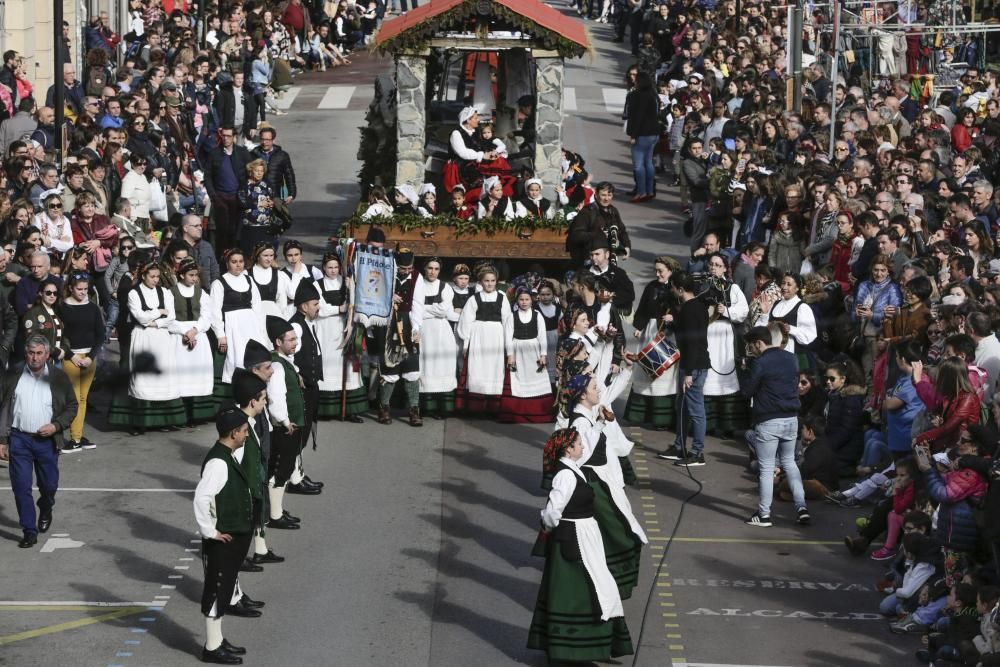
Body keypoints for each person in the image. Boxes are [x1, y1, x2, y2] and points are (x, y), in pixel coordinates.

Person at [527, 428, 633, 663]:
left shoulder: (573, 469)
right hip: (574, 537)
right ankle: (574, 650)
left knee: (598, 587)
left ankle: (582, 648)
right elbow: (553, 511)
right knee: (584, 591)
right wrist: (549, 524)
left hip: (584, 535)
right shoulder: (565, 475)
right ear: (568, 449)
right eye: (578, 444)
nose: (582, 447)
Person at [0, 335, 77, 548]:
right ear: (26, 354)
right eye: (31, 353)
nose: (34, 358)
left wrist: (56, 426)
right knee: (21, 487)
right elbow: (3, 407)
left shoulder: (58, 377)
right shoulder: (13, 374)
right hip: (19, 439)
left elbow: (72, 407)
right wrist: (2, 440)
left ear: (46, 354)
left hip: (46, 441)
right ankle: (29, 530)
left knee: (49, 485)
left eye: (39, 353)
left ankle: (46, 505)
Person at [193, 406, 255, 665]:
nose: (246, 436)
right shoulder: (218, 462)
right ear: (233, 433)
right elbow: (202, 498)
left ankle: (217, 640)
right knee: (217, 590)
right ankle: (211, 647)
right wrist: (210, 531)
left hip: (233, 536)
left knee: (225, 587)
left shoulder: (227, 454)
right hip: (223, 539)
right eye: (243, 431)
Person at [740, 324, 810, 527]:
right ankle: (801, 507)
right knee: (790, 463)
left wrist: (745, 369)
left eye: (751, 347)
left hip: (769, 420)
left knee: (767, 467)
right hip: (791, 419)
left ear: (759, 343)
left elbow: (747, 392)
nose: (751, 351)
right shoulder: (791, 358)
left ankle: (763, 514)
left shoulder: (760, 362)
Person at [123, 262, 186, 433]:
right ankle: (139, 423)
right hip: (142, 337)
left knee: (162, 377)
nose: (155, 280)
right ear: (143, 276)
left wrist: (155, 323)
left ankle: (163, 420)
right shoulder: (134, 293)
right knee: (142, 378)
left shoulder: (165, 292)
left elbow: (171, 316)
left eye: (157, 276)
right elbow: (140, 317)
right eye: (152, 276)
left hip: (161, 337)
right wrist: (159, 312)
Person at [264, 315, 317, 518]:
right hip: (285, 427)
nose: (296, 344)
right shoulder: (277, 367)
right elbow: (276, 399)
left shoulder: (284, 362)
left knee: (283, 470)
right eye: (291, 340)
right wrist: (285, 421)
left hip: (289, 425)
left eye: (296, 339)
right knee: (280, 471)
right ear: (278, 342)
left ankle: (276, 512)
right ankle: (274, 515)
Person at [231, 370, 284, 571]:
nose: (266, 403)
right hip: (244, 495)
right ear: (253, 402)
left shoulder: (251, 422)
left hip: (254, 486)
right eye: (263, 399)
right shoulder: (240, 428)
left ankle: (257, 551)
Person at [658, 271, 710, 466]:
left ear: (680, 289)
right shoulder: (693, 308)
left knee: (696, 410)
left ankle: (698, 452)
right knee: (682, 407)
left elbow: (693, 343)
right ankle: (680, 447)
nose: (671, 290)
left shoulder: (691, 310)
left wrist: (689, 373)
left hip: (693, 366)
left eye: (673, 287)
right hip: (691, 364)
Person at [625, 256, 679, 430]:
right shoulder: (651, 287)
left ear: (670, 271)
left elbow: (684, 308)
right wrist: (640, 326)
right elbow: (642, 309)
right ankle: (642, 415)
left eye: (661, 271)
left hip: (668, 334)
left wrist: (674, 317)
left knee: (664, 375)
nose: (657, 274)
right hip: (650, 331)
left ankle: (662, 419)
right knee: (645, 371)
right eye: (655, 270)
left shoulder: (676, 288)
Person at [700, 253, 750, 436]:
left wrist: (727, 310)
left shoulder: (732, 288)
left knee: (725, 374)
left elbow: (744, 310)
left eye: (717, 265)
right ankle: (708, 424)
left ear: (724, 268)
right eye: (711, 264)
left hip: (724, 335)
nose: (713, 267)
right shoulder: (703, 285)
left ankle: (728, 425)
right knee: (708, 375)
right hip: (708, 333)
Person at [371, 248, 422, 426]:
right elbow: (371, 293)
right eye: (403, 268)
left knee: (412, 368)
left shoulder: (417, 278)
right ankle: (384, 407)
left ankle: (414, 410)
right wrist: (388, 297)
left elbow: (417, 305)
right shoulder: (384, 272)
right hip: (388, 323)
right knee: (389, 367)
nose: (407, 271)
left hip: (407, 323)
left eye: (409, 268)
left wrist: (416, 328)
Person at [314, 253, 366, 422]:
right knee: (328, 365)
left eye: (336, 267)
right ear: (323, 268)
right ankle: (326, 408)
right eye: (330, 267)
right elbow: (319, 309)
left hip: (345, 328)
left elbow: (357, 302)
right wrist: (338, 309)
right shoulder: (317, 284)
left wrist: (351, 293)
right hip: (326, 329)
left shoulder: (347, 282)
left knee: (348, 367)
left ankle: (350, 408)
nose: (333, 270)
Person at [57, 271, 104, 452]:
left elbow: (100, 335)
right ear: (70, 288)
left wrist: (91, 357)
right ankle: (74, 438)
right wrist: (72, 356)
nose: (83, 292)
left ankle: (77, 436)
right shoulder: (63, 307)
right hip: (71, 359)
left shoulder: (93, 308)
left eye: (85, 289)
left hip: (88, 359)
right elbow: (60, 336)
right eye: (79, 289)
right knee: (75, 398)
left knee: (83, 398)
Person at [456, 265, 511, 415]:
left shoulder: (502, 297)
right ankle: (476, 408)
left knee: (495, 369)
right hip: (479, 337)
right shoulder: (474, 298)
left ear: (496, 281)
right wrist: (466, 344)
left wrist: (508, 345)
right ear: (481, 282)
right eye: (486, 281)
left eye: (493, 281)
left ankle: (494, 407)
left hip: (497, 338)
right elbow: (466, 322)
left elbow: (507, 321)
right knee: (478, 368)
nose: (490, 284)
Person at [210, 248, 268, 384]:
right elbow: (214, 311)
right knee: (237, 358)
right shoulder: (219, 283)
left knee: (253, 359)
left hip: (250, 325)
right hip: (232, 326)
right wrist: (220, 334)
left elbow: (257, 306)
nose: (238, 265)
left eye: (241, 261)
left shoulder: (249, 280)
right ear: (227, 263)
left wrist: (261, 331)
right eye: (234, 262)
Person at [169, 258, 216, 425]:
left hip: (198, 336)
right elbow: (169, 318)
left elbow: (206, 316)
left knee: (196, 374)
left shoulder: (201, 292)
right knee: (181, 373)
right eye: (191, 275)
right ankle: (181, 415)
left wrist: (194, 331)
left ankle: (195, 414)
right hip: (179, 337)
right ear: (181, 275)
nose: (195, 278)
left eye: (196, 275)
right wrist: (184, 332)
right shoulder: (171, 292)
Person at [288, 280, 325, 490]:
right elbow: (289, 353)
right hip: (302, 387)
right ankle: (293, 478)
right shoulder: (296, 325)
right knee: (299, 433)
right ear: (303, 306)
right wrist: (297, 374)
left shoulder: (308, 322)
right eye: (314, 304)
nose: (318, 307)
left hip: (311, 385)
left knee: (304, 431)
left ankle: (297, 474)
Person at [498, 287, 553, 423]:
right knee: (517, 380)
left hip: (533, 351)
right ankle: (517, 413)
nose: (524, 302)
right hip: (518, 351)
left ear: (531, 300)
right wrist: (510, 355)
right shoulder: (512, 316)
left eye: (527, 299)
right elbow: (508, 337)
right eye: (521, 299)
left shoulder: (537, 315)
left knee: (537, 378)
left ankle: (539, 413)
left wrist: (543, 354)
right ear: (517, 300)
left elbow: (542, 336)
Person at [410, 256, 456, 419]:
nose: (433, 272)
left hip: (441, 332)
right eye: (430, 268)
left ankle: (440, 407)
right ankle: (423, 407)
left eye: (436, 269)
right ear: (425, 268)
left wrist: (424, 310)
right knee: (424, 365)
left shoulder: (445, 287)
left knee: (441, 366)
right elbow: (413, 309)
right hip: (423, 332)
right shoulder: (417, 285)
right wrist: (426, 310)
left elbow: (444, 311)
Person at [203, 125, 251, 256]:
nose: (225, 138)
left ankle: (237, 257)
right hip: (221, 197)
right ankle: (223, 259)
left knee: (236, 231)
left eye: (229, 136)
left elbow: (250, 172)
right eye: (223, 135)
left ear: (234, 137)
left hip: (237, 197)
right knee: (222, 232)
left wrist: (246, 192)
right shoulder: (214, 153)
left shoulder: (242, 153)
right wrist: (214, 196)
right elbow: (207, 176)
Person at [566, 182, 631, 267]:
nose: (606, 199)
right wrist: (597, 234)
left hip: (608, 257)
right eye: (603, 195)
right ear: (596, 195)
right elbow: (576, 235)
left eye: (609, 195)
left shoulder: (613, 211)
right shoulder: (587, 212)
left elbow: (621, 230)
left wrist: (626, 245)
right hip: (589, 258)